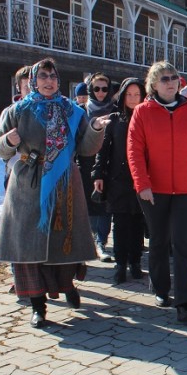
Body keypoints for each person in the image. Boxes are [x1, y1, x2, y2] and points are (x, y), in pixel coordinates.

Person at [0, 57, 109, 328]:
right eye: (43, 77)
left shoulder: (72, 111)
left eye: (53, 77)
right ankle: (38, 307)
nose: (49, 81)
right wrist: (7, 141)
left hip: (65, 185)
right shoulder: (17, 111)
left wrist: (95, 129)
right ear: (33, 81)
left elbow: (86, 148)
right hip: (27, 187)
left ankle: (67, 286)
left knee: (63, 243)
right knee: (29, 249)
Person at [127, 61, 187, 323]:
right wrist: (142, 184)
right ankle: (161, 289)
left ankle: (185, 302)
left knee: (183, 243)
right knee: (158, 241)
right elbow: (134, 151)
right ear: (153, 84)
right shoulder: (142, 112)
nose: (170, 82)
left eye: (174, 77)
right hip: (155, 191)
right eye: (164, 78)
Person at [92, 77, 147, 285]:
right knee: (121, 224)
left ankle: (135, 262)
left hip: (141, 179)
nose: (132, 99)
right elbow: (103, 150)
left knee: (138, 223)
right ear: (122, 96)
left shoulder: (147, 118)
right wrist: (98, 174)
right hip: (118, 180)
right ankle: (121, 264)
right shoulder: (114, 119)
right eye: (129, 94)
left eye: (137, 94)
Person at [78, 72, 116, 262]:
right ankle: (92, 240)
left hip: (109, 163)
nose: (101, 92)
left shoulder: (115, 110)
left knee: (106, 205)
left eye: (105, 89)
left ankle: (101, 241)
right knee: (90, 202)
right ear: (91, 90)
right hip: (87, 162)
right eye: (97, 89)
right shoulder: (82, 111)